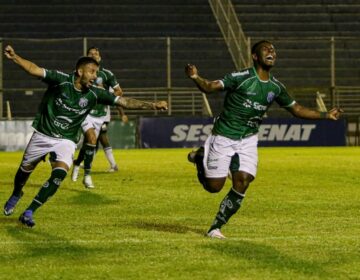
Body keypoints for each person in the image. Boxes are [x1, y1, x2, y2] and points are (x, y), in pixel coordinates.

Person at [185, 40, 343, 239]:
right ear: (255, 56)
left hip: (248, 139)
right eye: (266, 49)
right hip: (224, 135)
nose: (271, 52)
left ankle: (215, 227)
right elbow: (209, 87)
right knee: (213, 187)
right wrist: (195, 76)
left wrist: (325, 115)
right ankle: (200, 158)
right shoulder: (241, 77)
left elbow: (297, 109)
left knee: (243, 181)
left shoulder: (275, 87)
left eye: (274, 49)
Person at [3, 45, 167, 227]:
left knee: (58, 175)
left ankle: (29, 211)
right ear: (80, 71)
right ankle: (17, 193)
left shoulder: (95, 94)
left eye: (96, 72)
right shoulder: (61, 81)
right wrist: (15, 57)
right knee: (24, 172)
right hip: (43, 134)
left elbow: (124, 101)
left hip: (66, 139)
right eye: (92, 71)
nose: (95, 76)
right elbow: (34, 69)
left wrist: (152, 105)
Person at [71, 47, 127, 188]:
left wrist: (108, 94)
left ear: (100, 58)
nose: (94, 56)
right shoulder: (81, 73)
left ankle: (78, 164)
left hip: (101, 114)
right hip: (85, 111)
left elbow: (119, 92)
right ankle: (88, 175)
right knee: (90, 139)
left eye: (96, 54)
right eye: (91, 54)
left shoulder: (107, 74)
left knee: (90, 142)